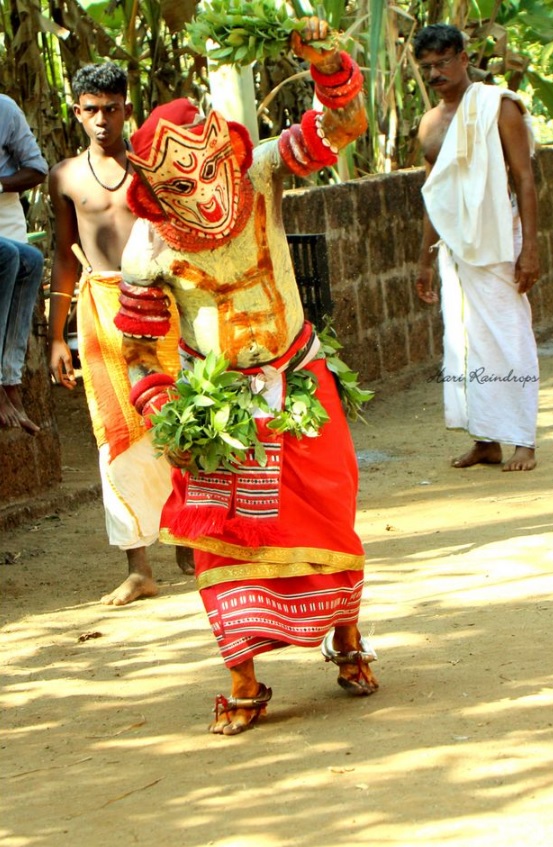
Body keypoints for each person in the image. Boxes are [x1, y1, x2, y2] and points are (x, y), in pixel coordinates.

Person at [114, 17, 379, 735]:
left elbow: (344, 123)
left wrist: (325, 59)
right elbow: (138, 349)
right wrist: (167, 412)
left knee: (329, 514)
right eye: (181, 186)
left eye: (208, 171)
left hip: (299, 377)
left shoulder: (262, 171)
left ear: (225, 152)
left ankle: (347, 638)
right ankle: (243, 680)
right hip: (217, 405)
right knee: (225, 537)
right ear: (153, 194)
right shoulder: (146, 253)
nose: (203, 194)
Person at [47, 63, 192, 608]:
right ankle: (138, 564)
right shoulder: (64, 176)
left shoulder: (154, 168)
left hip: (161, 305)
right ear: (77, 112)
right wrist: (57, 335)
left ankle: (187, 538)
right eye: (91, 109)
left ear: (127, 108)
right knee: (116, 432)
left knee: (176, 418)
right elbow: (63, 255)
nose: (102, 120)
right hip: (100, 311)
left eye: (111, 107)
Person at [414, 23, 540, 472]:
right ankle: (486, 440)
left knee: (509, 335)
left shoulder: (497, 107)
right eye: (427, 66)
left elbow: (524, 178)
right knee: (465, 340)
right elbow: (435, 193)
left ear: (464, 58)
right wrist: (424, 259)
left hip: (500, 237)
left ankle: (523, 439)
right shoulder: (429, 124)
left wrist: (530, 249)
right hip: (454, 248)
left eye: (443, 62)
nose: (436, 73)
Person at [0, 93, 48, 433]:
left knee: (29, 258)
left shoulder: (4, 108)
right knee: (7, 256)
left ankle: (10, 378)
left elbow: (37, 169)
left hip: (3, 212)